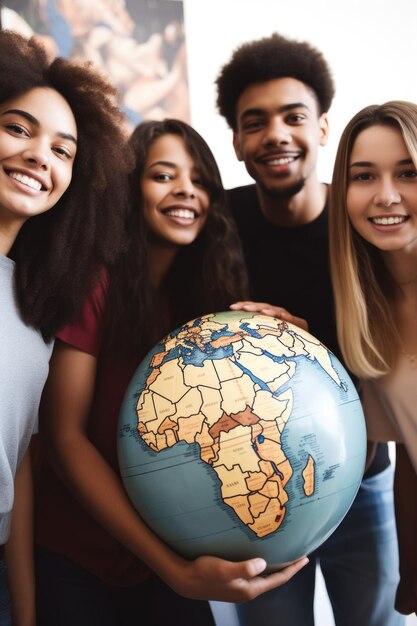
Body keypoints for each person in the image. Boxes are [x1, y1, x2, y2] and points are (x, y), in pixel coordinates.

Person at [32, 118, 308, 626]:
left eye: (200, 179)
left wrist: (288, 339)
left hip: (158, 553)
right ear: (129, 188)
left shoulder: (201, 302)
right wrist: (173, 571)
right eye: (163, 175)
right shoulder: (95, 281)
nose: (186, 190)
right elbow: (64, 437)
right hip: (78, 549)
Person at [215, 32, 404, 626]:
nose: (275, 133)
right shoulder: (216, 224)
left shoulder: (368, 225)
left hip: (363, 481)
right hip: (258, 492)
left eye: (294, 116)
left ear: (323, 128)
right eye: (255, 121)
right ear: (239, 141)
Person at [0, 29, 132, 626]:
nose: (40, 157)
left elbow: (18, 468)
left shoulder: (35, 307)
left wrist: (24, 612)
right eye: (18, 128)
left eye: (63, 151)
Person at [329, 100, 417, 616]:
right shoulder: (370, 310)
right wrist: (409, 577)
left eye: (408, 172)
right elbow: (407, 455)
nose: (386, 196)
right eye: (364, 176)